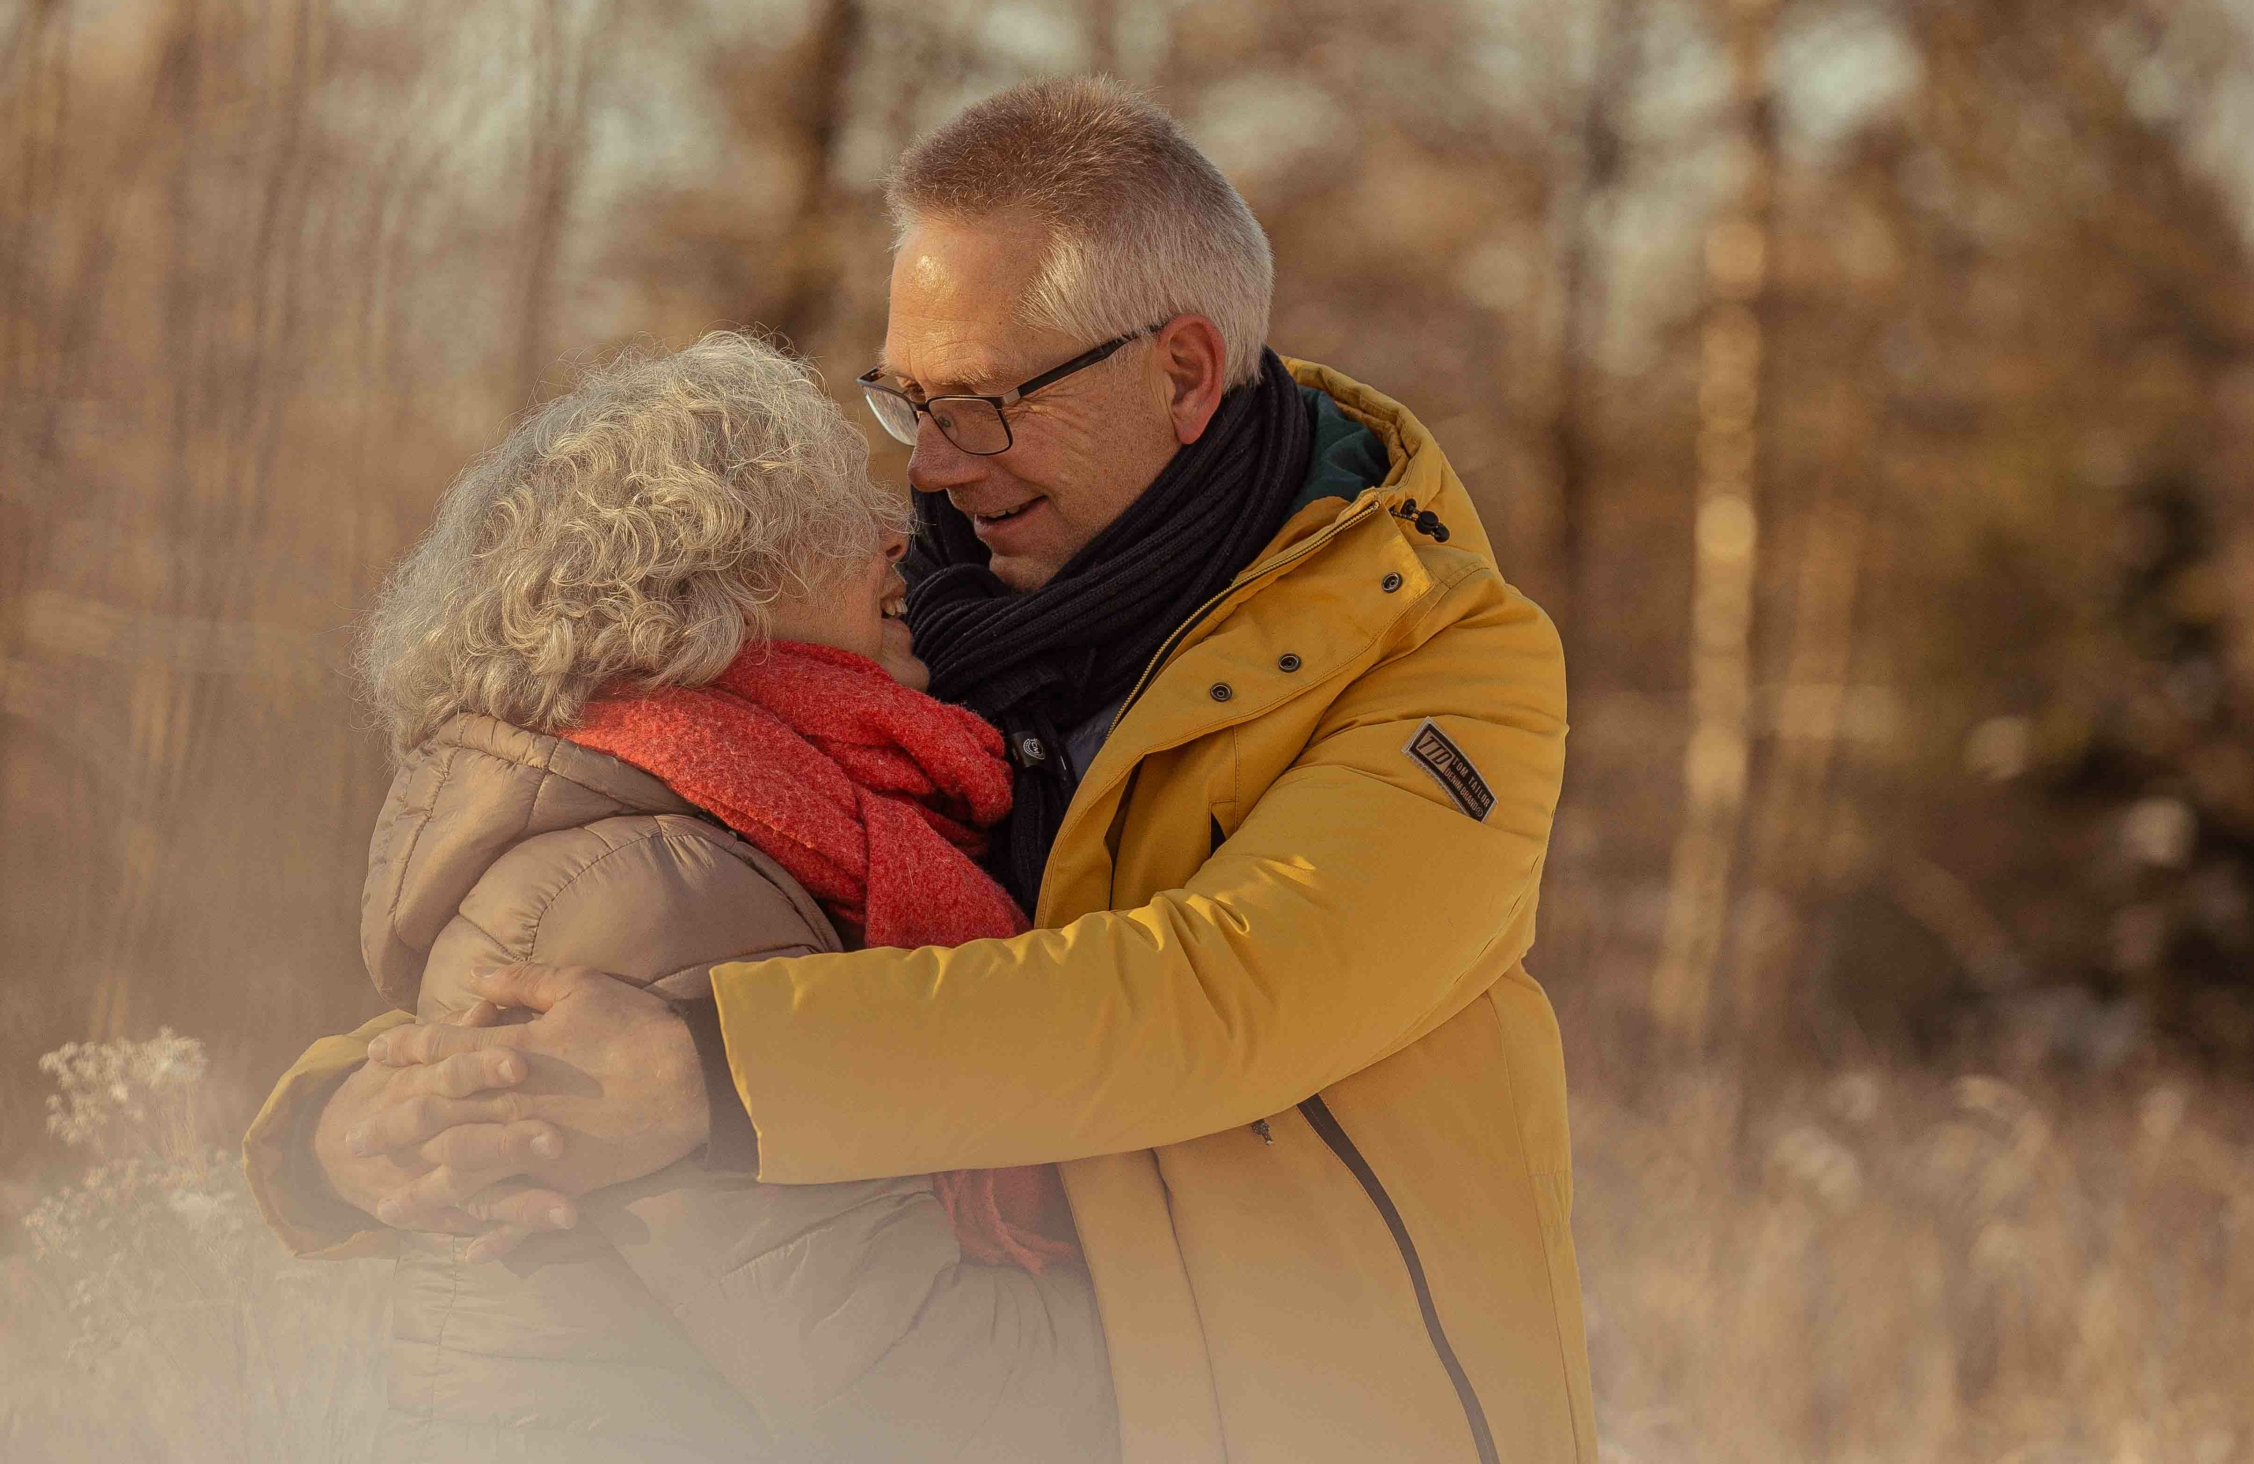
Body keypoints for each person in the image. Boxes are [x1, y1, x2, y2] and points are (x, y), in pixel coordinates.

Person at [248, 77, 1597, 1463]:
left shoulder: (1442, 655)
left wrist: (711, 1075)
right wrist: (349, 1122)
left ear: (1184, 371)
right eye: (908, 401)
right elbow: (651, 904)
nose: (936, 471)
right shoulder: (917, 650)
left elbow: (1230, 987)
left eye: (986, 404)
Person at [289, 334, 1117, 1462]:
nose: (894, 538)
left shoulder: (716, 832)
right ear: (701, 579)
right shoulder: (650, 891)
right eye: (825, 518)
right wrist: (1260, 1354)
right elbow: (920, 1390)